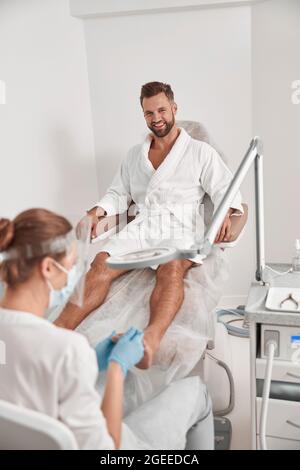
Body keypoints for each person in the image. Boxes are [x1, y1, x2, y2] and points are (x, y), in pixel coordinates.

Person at [55, 81, 243, 369]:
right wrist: (96, 212)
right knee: (101, 265)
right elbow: (119, 193)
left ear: (174, 108)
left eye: (161, 110)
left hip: (181, 225)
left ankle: (150, 340)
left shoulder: (200, 152)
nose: (156, 118)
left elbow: (225, 189)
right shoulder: (135, 155)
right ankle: (56, 333)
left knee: (171, 269)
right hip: (143, 225)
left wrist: (229, 214)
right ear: (143, 115)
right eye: (148, 113)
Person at [0, 209, 213, 450]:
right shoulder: (67, 349)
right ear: (48, 268)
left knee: (125, 387)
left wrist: (91, 360)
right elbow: (108, 450)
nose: (71, 279)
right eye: (69, 267)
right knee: (197, 393)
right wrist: (116, 368)